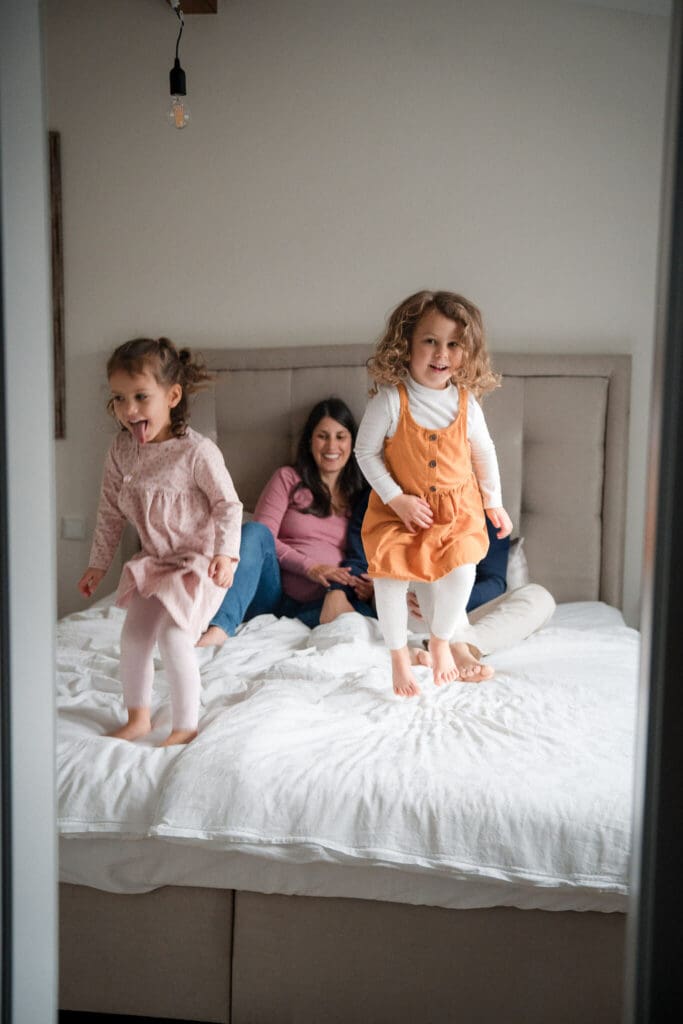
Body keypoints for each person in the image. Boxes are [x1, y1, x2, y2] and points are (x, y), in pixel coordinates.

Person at [77, 337, 242, 746]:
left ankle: (185, 726)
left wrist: (226, 553)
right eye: (118, 399)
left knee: (173, 637)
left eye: (140, 397)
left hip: (199, 564)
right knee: (133, 637)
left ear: (171, 396)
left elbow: (228, 505)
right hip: (155, 562)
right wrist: (98, 564)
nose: (128, 410)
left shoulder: (197, 453)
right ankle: (138, 718)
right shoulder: (120, 452)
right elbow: (109, 513)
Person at [356, 289, 513, 697]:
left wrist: (492, 501)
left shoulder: (466, 404)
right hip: (401, 511)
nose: (441, 353)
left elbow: (484, 451)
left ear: (466, 352)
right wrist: (395, 498)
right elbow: (365, 452)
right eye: (430, 340)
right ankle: (398, 660)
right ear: (405, 343)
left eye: (453, 344)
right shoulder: (390, 402)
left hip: (455, 511)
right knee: (389, 579)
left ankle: (441, 641)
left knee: (462, 570)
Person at [197, 397, 374, 647]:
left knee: (370, 628)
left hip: (322, 604)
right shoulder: (287, 478)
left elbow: (366, 554)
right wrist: (310, 567)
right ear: (310, 441)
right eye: (322, 436)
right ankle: (220, 627)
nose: (331, 445)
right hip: (272, 596)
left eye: (340, 436)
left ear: (352, 441)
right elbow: (261, 541)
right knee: (254, 531)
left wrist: (368, 587)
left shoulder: (363, 497)